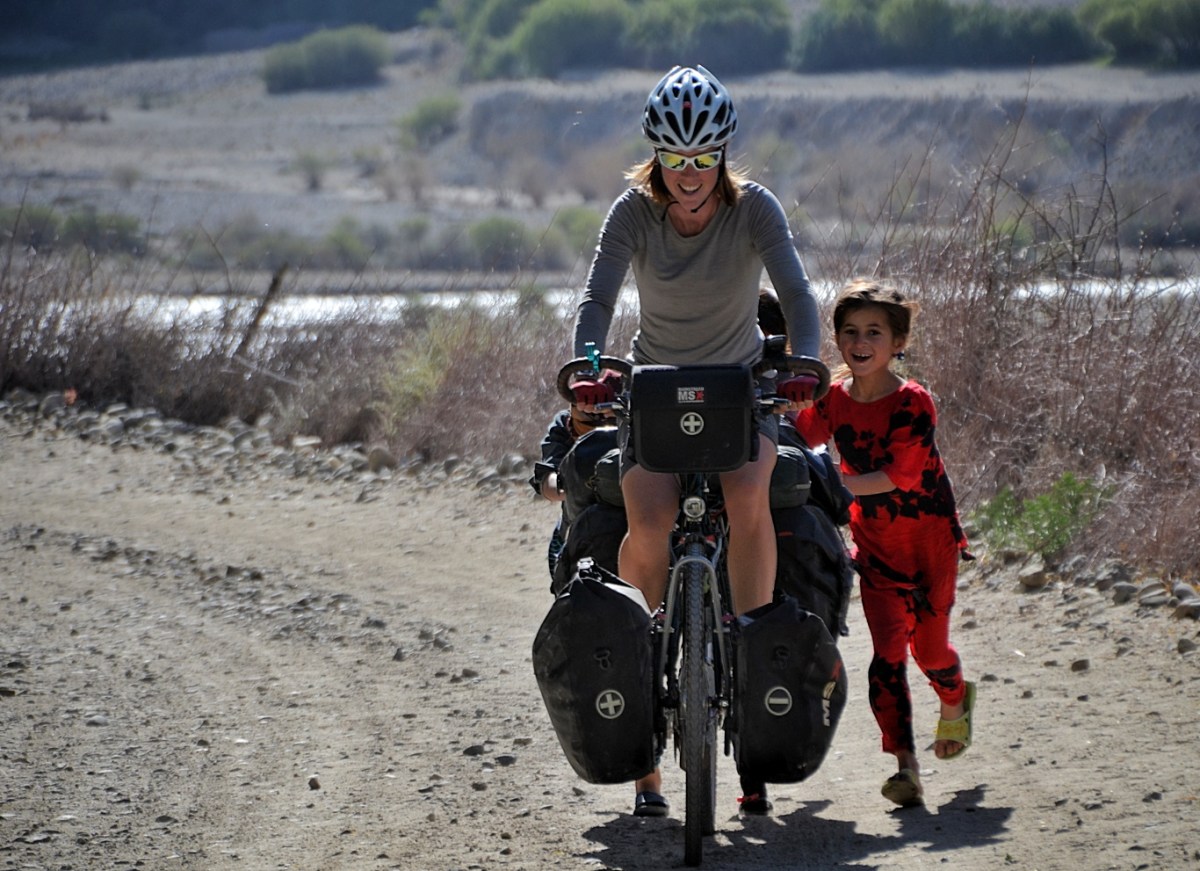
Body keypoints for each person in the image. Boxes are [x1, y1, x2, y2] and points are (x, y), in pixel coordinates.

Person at [568, 64, 823, 819]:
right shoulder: (631, 213)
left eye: (702, 159)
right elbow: (597, 299)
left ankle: (749, 666)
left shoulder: (755, 210)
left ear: (721, 153)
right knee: (647, 519)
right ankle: (643, 687)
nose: (688, 176)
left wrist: (805, 364)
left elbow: (801, 296)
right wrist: (589, 366)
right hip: (652, 387)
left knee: (748, 496)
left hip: (742, 386)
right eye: (675, 162)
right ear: (657, 157)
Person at [792, 278, 974, 809]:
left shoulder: (913, 402)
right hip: (873, 547)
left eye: (874, 331)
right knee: (887, 655)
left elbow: (899, 477)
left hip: (929, 542)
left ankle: (956, 699)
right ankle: (906, 767)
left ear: (898, 343)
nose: (860, 340)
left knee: (930, 650)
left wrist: (832, 483)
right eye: (849, 331)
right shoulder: (832, 398)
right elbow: (799, 437)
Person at [529, 370, 622, 580]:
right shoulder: (564, 424)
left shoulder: (638, 422)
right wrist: (572, 484)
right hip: (579, 524)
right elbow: (547, 482)